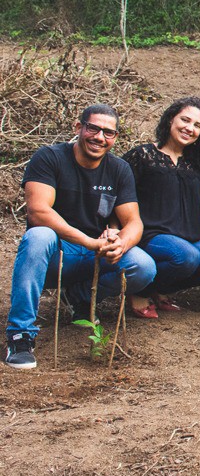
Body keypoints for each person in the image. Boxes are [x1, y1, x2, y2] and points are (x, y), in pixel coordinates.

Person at [5, 104, 156, 370]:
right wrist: (87, 241)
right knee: (38, 236)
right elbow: (38, 211)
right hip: (54, 256)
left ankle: (81, 298)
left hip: (94, 255)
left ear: (115, 138)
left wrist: (121, 241)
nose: (99, 137)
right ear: (79, 128)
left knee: (142, 265)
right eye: (93, 128)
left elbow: (134, 222)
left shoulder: (119, 170)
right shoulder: (49, 158)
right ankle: (20, 335)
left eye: (108, 132)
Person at [122, 97, 200, 319]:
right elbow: (120, 193)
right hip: (151, 235)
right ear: (170, 119)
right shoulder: (144, 156)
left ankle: (160, 288)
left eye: (197, 126)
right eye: (185, 120)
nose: (189, 128)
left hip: (189, 237)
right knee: (185, 257)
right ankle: (140, 290)